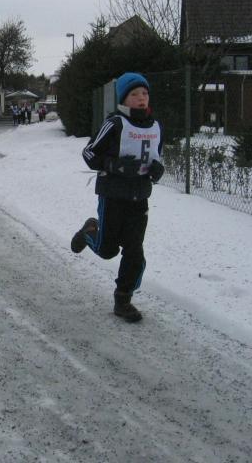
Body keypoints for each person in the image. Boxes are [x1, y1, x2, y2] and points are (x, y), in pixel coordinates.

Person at [69, 72, 164, 323]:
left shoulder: (155, 127)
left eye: (145, 93)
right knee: (107, 250)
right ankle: (89, 231)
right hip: (112, 195)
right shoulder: (115, 123)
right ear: (124, 98)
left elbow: (156, 156)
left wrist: (158, 170)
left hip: (139, 198)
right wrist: (116, 166)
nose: (141, 98)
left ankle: (123, 300)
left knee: (134, 251)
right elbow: (89, 153)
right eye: (135, 94)